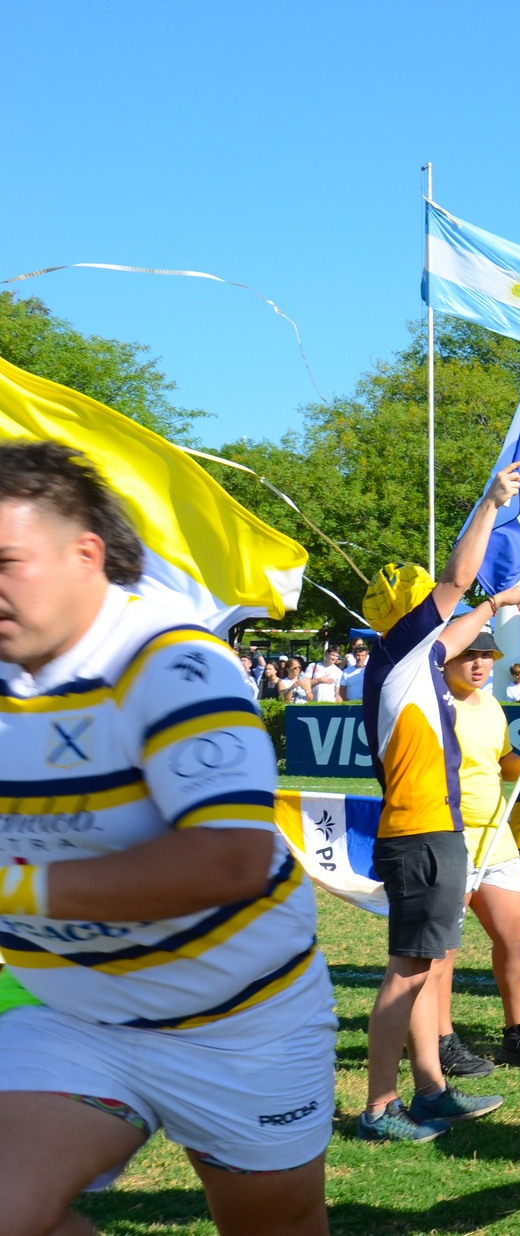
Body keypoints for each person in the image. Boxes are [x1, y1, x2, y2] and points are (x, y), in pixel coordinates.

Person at [0, 442, 337, 1236]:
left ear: (85, 553)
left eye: (7, 561)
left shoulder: (171, 658)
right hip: (74, 1018)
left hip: (244, 1023)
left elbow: (229, 858)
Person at [355, 460, 520, 1143]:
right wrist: (490, 502)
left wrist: (498, 604)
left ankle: (430, 1090)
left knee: (423, 967)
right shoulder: (403, 654)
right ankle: (378, 1106)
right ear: (407, 618)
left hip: (432, 832)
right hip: (421, 834)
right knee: (406, 972)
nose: (444, 605)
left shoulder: (409, 661)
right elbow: (458, 579)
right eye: (429, 602)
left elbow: (463, 614)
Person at [433, 625, 520, 1073]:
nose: (481, 663)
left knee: (515, 932)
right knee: (442, 948)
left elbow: (501, 766)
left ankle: (518, 1033)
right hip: (446, 835)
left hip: (495, 837)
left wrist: (516, 761)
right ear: (445, 658)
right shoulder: (429, 704)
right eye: (470, 654)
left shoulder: (490, 706)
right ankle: (439, 1039)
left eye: (487, 655)